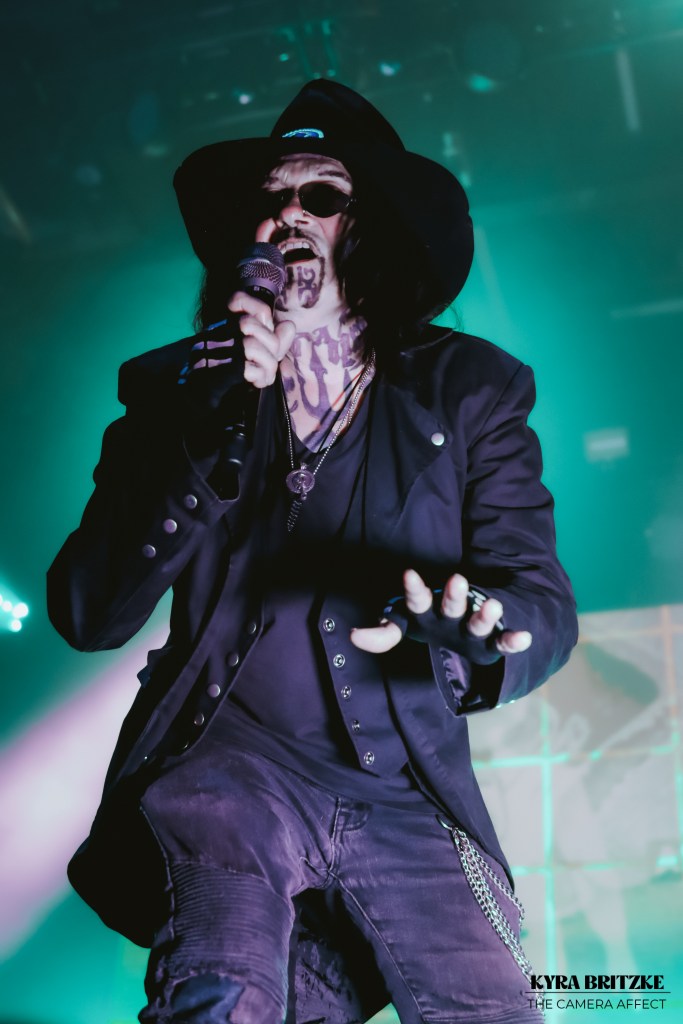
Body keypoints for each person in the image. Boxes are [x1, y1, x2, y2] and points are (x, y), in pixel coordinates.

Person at [48, 79, 578, 1024]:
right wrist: (206, 426)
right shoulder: (175, 393)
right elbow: (88, 611)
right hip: (230, 772)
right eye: (271, 199)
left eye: (321, 195)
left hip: (405, 788)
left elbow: (538, 597)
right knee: (221, 991)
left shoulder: (469, 389)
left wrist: (475, 634)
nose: (287, 214)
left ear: (366, 228)